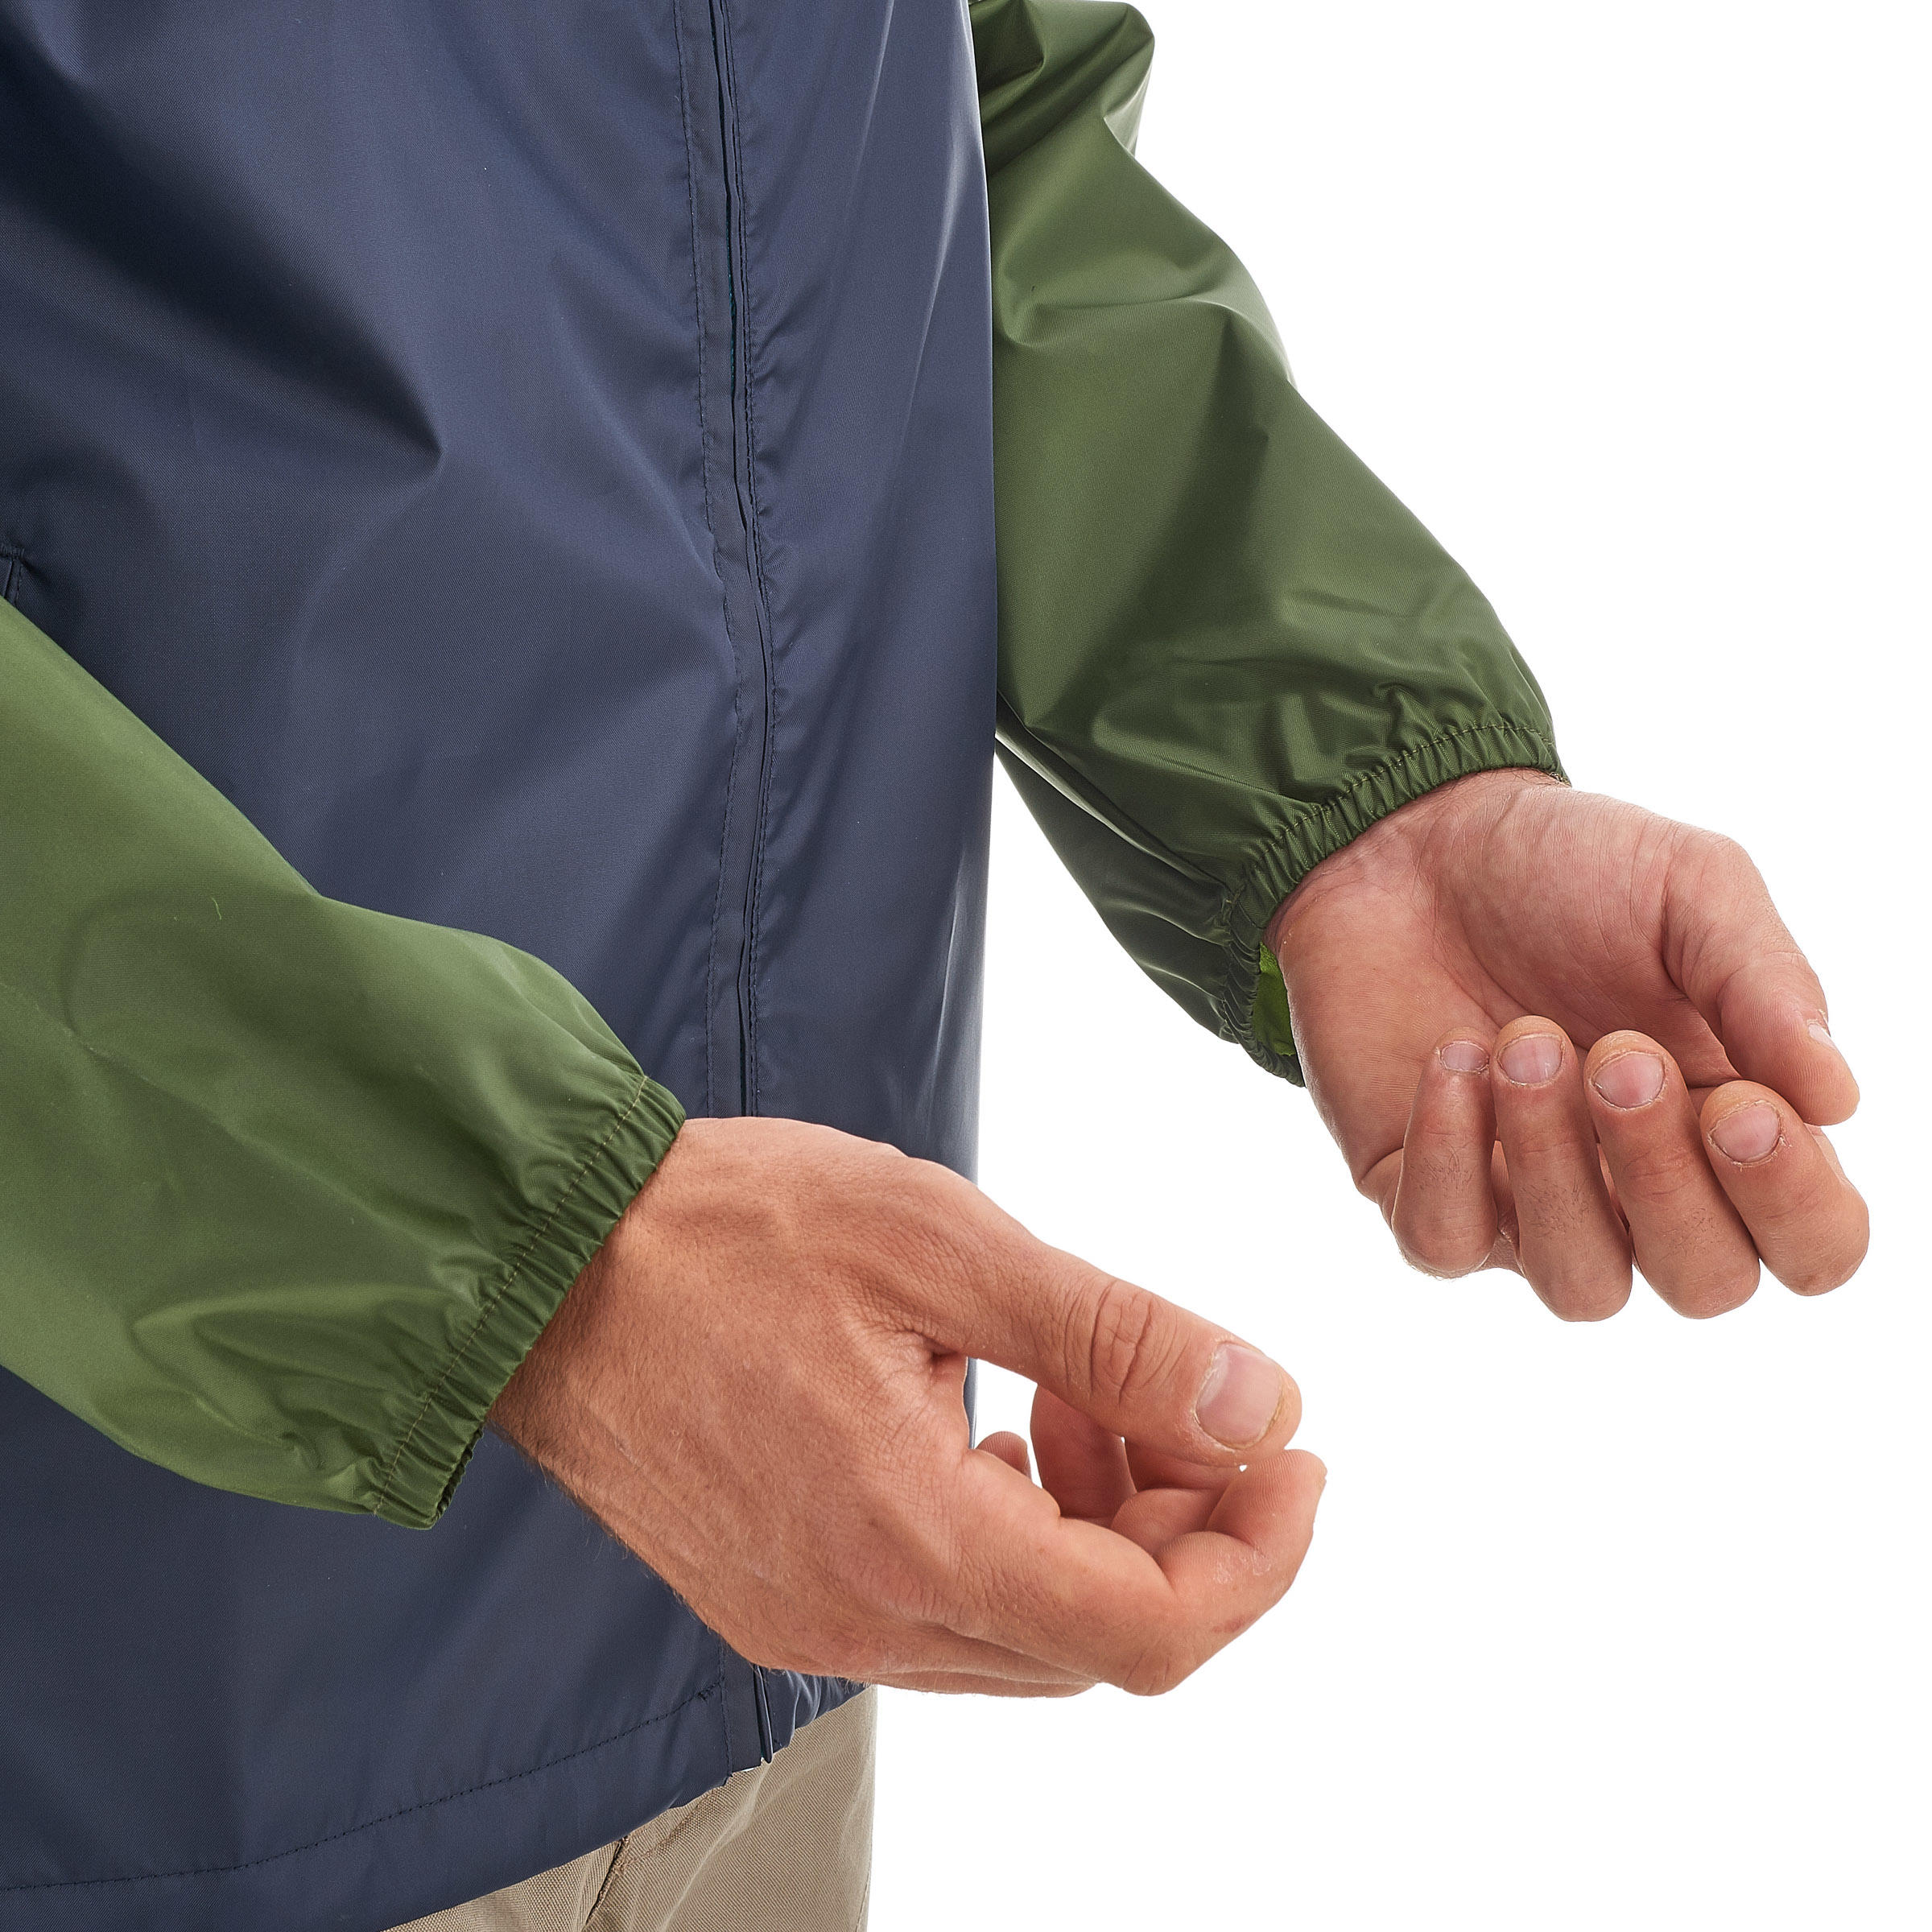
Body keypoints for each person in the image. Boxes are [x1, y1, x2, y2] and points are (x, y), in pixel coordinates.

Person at [0, 2, 1868, 1928]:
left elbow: (971, 117)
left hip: (753, 1602)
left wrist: (1345, 766)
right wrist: (484, 1243)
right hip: (129, 1712)